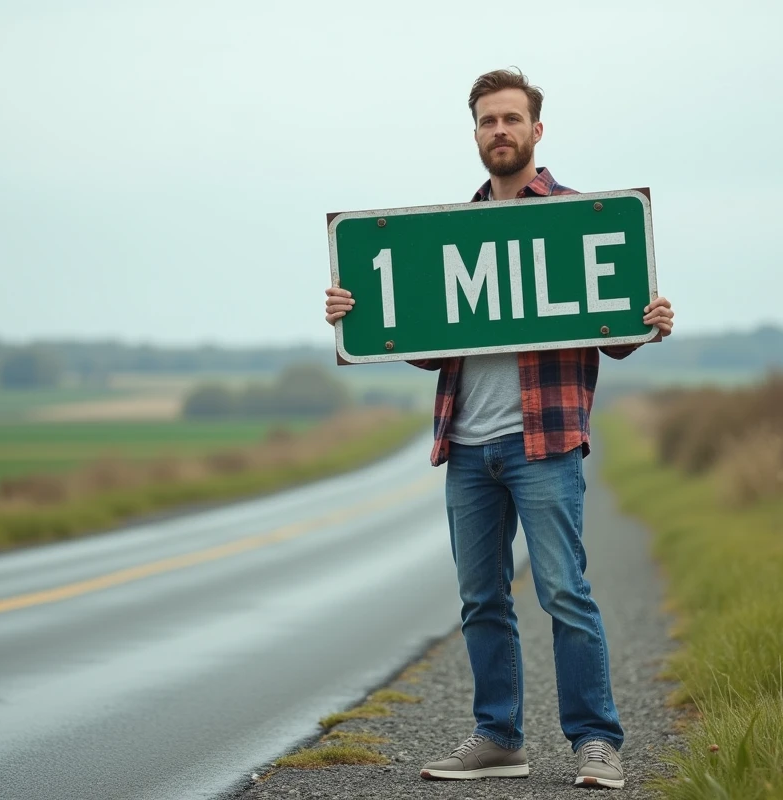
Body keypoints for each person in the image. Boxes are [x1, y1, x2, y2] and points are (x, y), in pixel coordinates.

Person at [323, 68, 675, 790]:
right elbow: (422, 347)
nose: (500, 132)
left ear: (536, 131)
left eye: (511, 119)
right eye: (487, 121)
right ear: (476, 133)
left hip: (544, 443)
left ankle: (596, 743)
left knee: (563, 593)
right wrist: (358, 315)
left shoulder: (580, 216)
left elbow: (611, 331)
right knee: (481, 599)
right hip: (467, 446)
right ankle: (499, 738)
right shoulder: (451, 230)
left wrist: (649, 323)